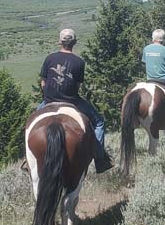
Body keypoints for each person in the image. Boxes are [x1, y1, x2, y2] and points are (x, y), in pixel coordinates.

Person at [38, 28, 113, 173]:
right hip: (72, 101)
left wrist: (48, 96)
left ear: (60, 42)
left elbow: (43, 82)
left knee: (30, 123)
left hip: (49, 100)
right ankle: (100, 158)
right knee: (99, 122)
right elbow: (77, 85)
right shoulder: (79, 62)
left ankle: (28, 159)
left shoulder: (49, 58)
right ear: (74, 43)